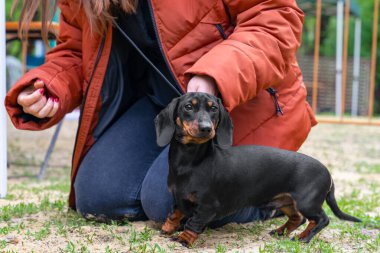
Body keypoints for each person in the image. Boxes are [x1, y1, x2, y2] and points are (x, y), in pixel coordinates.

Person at [5, 0, 317, 225]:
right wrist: (49, 86)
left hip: (236, 102)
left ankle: (271, 192)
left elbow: (275, 19)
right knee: (98, 196)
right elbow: (75, 49)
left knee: (171, 200)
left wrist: (212, 77)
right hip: (162, 105)